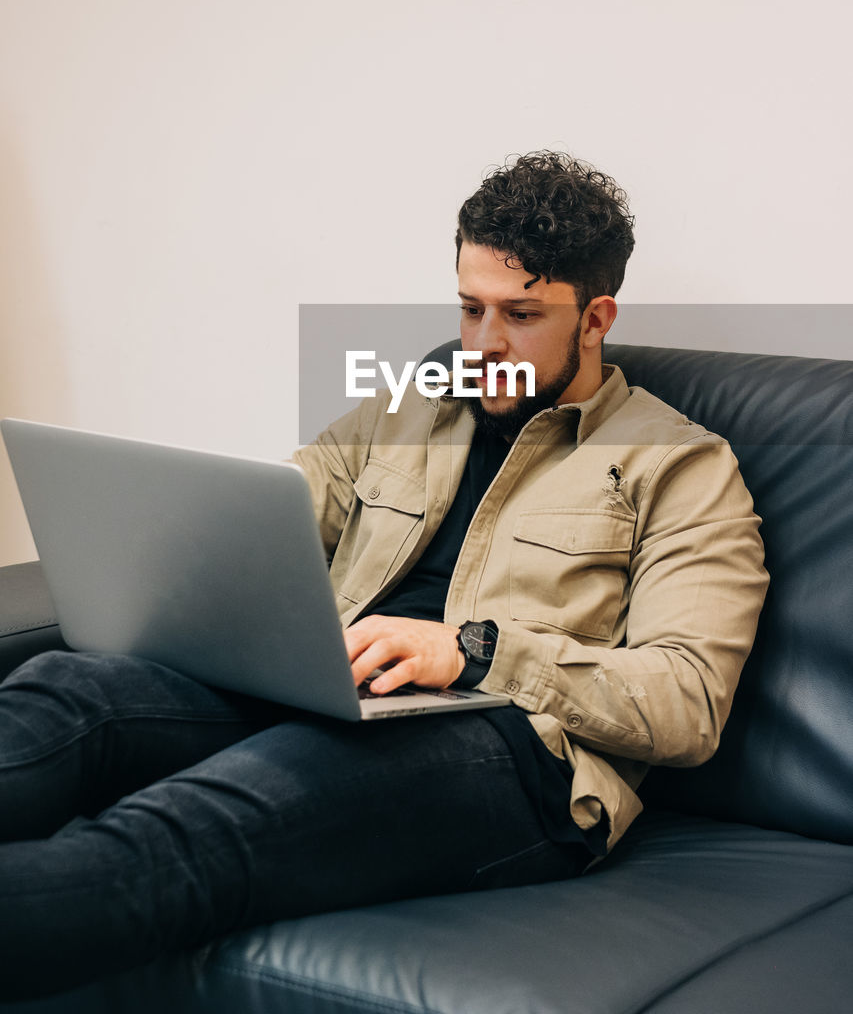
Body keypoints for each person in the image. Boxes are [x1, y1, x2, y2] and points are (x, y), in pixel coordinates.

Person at [0, 152, 768, 1000]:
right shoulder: (408, 405)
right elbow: (267, 523)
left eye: (520, 314)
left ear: (595, 318)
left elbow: (687, 703)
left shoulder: (682, 466)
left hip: (511, 753)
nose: (483, 344)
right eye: (469, 309)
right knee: (69, 694)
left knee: (178, 833)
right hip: (339, 689)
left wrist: (471, 651)